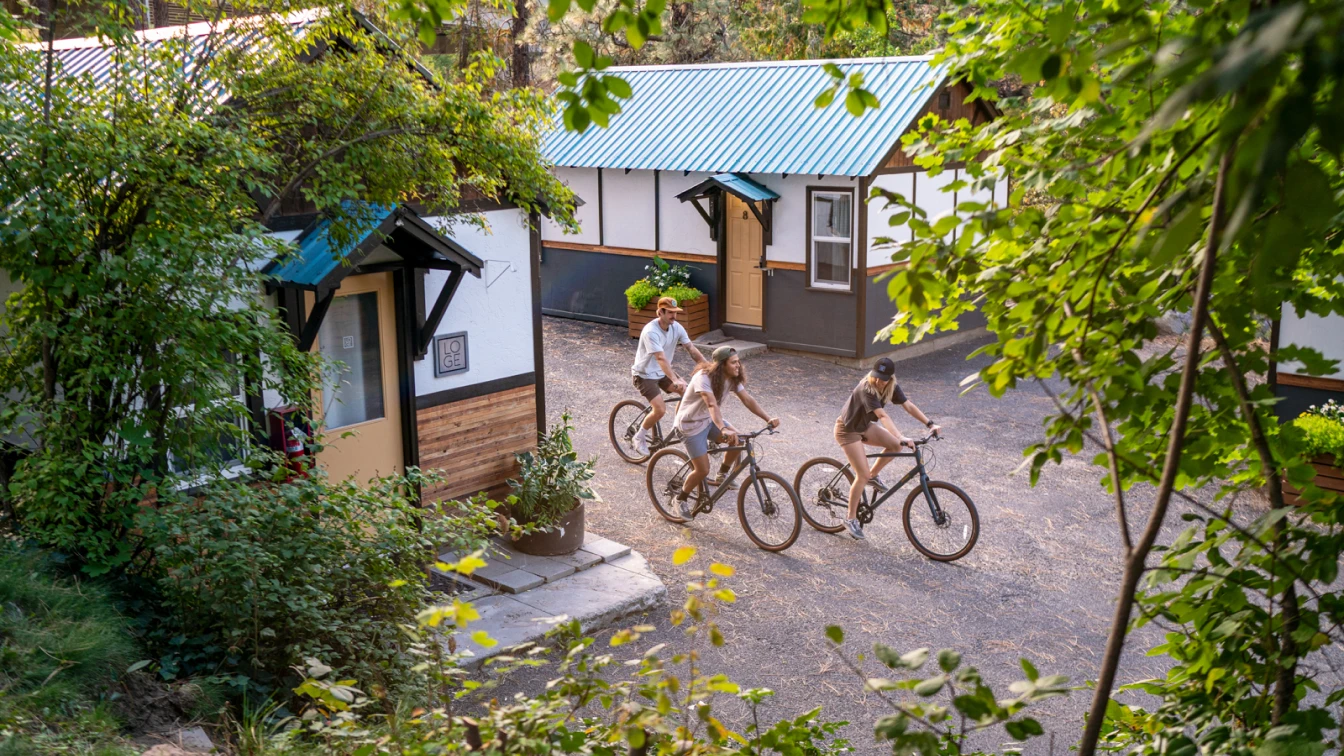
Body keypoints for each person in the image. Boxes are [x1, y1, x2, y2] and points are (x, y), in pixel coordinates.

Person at [833, 357, 942, 540]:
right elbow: (882, 415)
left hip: (864, 425)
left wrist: (929, 423)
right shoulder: (866, 388)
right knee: (862, 474)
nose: (878, 381)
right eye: (876, 376)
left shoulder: (891, 386)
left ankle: (873, 476)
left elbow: (908, 405)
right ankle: (850, 519)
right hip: (848, 430)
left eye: (883, 378)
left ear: (890, 378)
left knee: (893, 446)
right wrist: (901, 437)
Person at [672, 346, 779, 519]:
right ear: (722, 365)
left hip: (708, 420)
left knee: (737, 439)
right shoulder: (703, 378)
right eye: (733, 362)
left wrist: (767, 418)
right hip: (690, 426)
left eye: (738, 362)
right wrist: (722, 428)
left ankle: (722, 474)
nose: (738, 366)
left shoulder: (732, 378)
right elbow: (711, 404)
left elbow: (747, 399)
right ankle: (680, 499)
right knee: (702, 470)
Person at [630, 296, 707, 455]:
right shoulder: (651, 331)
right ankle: (639, 436)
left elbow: (691, 349)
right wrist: (674, 379)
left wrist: (708, 367)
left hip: (662, 371)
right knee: (660, 410)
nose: (674, 316)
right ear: (660, 312)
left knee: (687, 393)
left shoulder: (677, 327)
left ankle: (678, 426)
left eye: (675, 312)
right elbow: (660, 358)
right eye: (670, 312)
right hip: (645, 375)